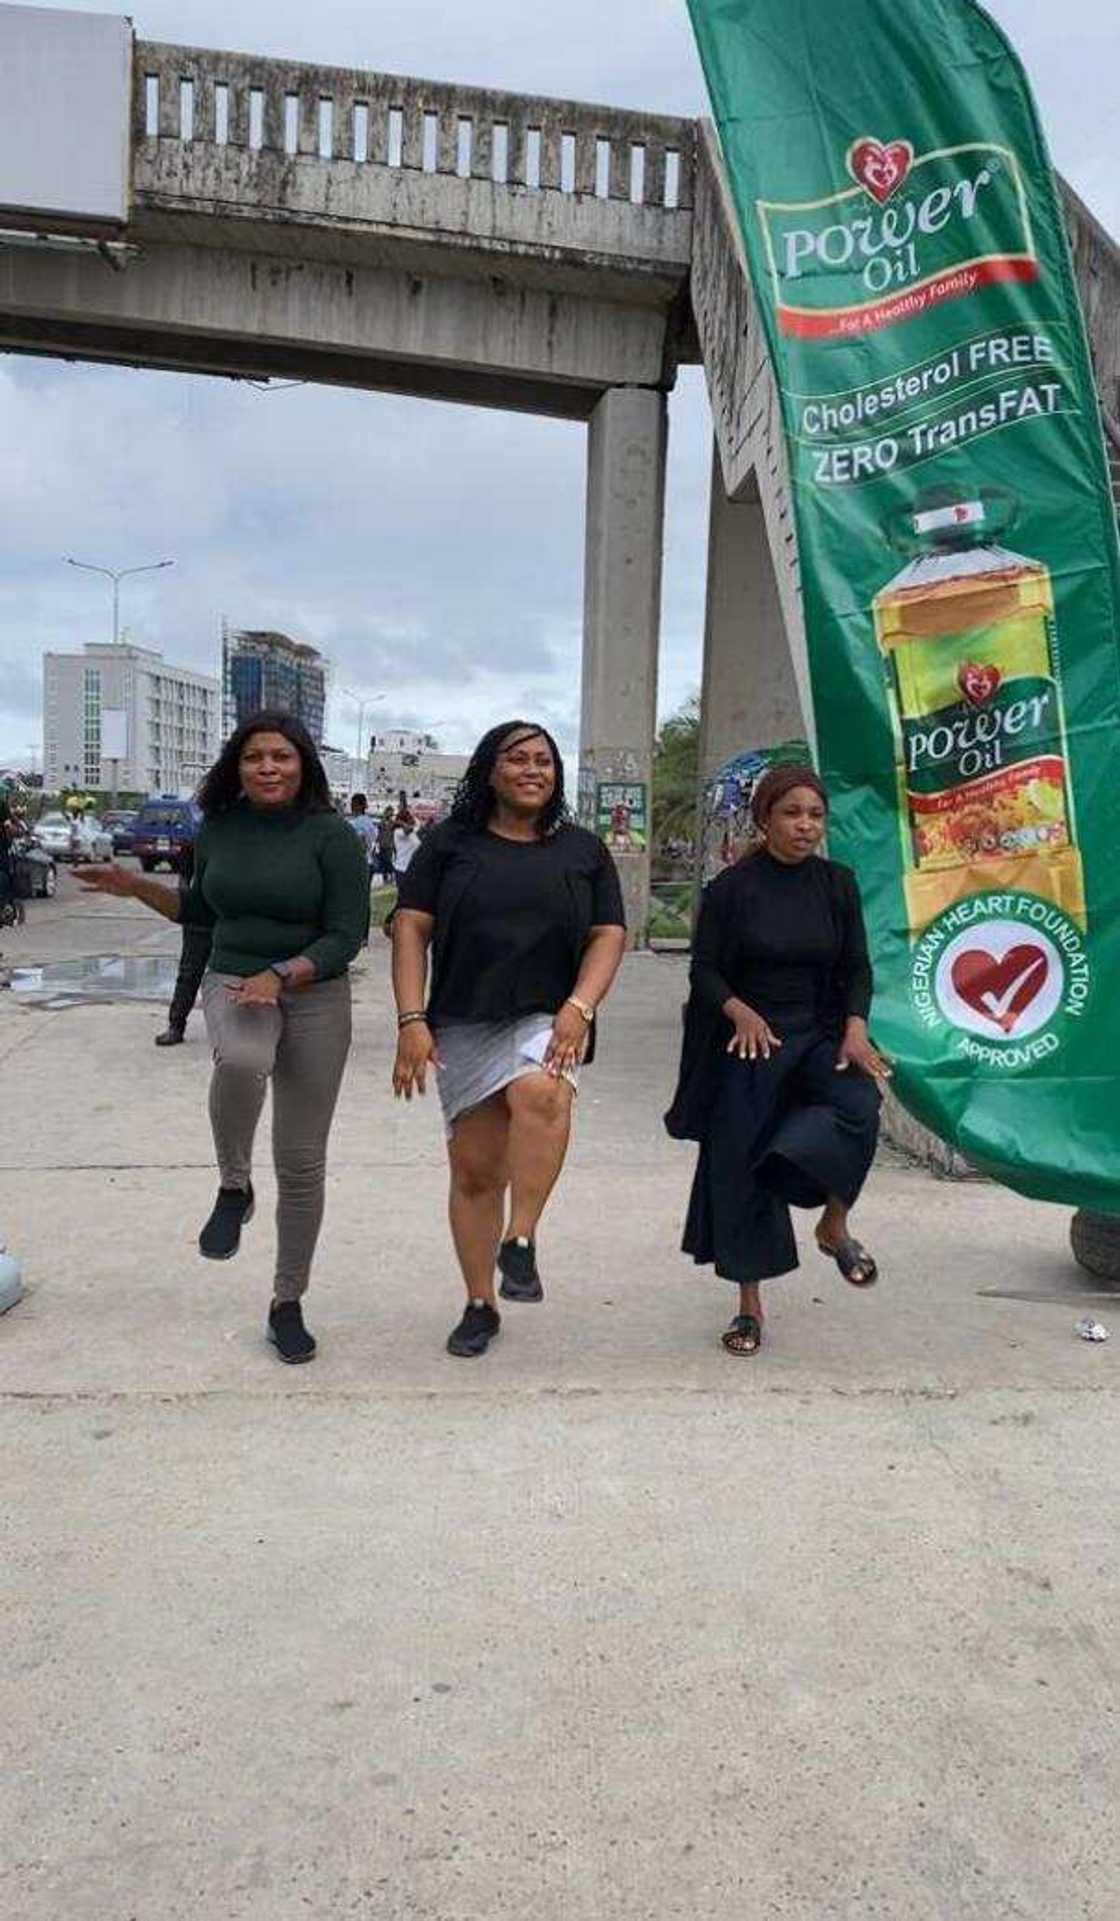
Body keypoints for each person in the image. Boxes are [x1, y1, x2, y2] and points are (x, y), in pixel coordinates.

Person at [76, 713, 370, 1363]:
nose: (268, 767)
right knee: (240, 1059)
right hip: (234, 979)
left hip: (316, 992)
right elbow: (199, 912)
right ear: (237, 766)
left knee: (301, 1161)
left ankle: (287, 1302)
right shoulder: (219, 829)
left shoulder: (332, 837)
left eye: (281, 756)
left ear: (304, 764)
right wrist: (136, 886)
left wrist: (283, 974)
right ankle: (235, 1187)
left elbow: (347, 935)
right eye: (254, 757)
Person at [392, 721, 627, 1357]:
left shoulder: (583, 851)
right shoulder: (449, 844)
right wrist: (411, 1021)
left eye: (543, 760)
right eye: (517, 759)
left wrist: (580, 1008)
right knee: (475, 1173)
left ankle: (520, 1239)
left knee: (542, 1093)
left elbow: (609, 934)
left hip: (551, 1013)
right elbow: (411, 928)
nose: (532, 770)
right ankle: (480, 1303)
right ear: (490, 771)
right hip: (464, 1019)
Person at [665, 763, 890, 1357]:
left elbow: (857, 968)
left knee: (859, 1103)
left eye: (815, 815)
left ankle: (833, 1224)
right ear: (764, 819)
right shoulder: (731, 890)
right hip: (752, 1041)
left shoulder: (837, 884)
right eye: (791, 813)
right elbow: (704, 971)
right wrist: (738, 1011)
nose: (805, 825)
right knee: (743, 1163)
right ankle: (749, 1307)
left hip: (818, 1035)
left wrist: (856, 1029)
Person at [348, 792, 379, 865]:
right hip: (369, 860)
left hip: (358, 861)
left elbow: (362, 840)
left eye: (353, 804)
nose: (351, 806)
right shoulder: (369, 821)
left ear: (359, 806)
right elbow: (374, 839)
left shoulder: (355, 823)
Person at [393, 810, 421, 886]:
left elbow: (418, 825)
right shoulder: (398, 832)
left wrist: (414, 818)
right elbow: (408, 830)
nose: (411, 819)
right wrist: (402, 823)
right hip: (402, 869)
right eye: (409, 818)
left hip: (413, 869)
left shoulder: (412, 833)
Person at [375, 808, 396, 887]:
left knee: (388, 861)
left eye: (390, 813)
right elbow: (379, 834)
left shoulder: (392, 823)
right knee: (383, 862)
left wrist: (394, 847)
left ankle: (391, 876)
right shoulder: (382, 823)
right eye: (387, 812)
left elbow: (393, 835)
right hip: (382, 845)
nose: (389, 814)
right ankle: (385, 878)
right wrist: (376, 843)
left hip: (389, 845)